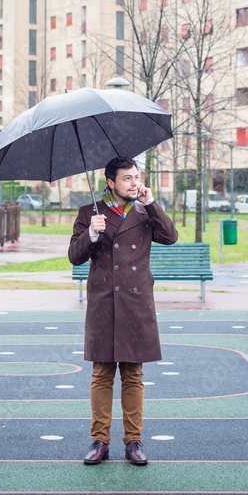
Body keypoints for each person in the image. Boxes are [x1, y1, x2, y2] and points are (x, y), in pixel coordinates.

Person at [68, 156, 178, 466]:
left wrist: (152, 202)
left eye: (136, 176)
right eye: (127, 178)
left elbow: (170, 236)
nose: (134, 182)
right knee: (101, 375)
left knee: (133, 375)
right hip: (103, 302)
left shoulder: (145, 211)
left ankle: (134, 442)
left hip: (135, 302)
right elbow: (74, 257)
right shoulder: (89, 212)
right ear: (111, 183)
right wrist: (91, 233)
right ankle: (99, 441)